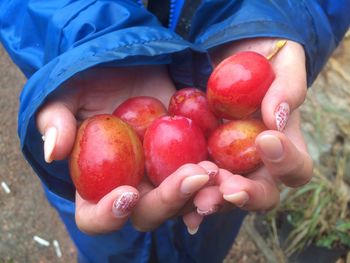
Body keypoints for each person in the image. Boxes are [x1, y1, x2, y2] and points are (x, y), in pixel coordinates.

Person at [0, 0, 349, 262]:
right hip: (102, 71)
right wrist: (88, 39)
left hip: (214, 191)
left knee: (205, 224)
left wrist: (272, 15)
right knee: (109, 243)